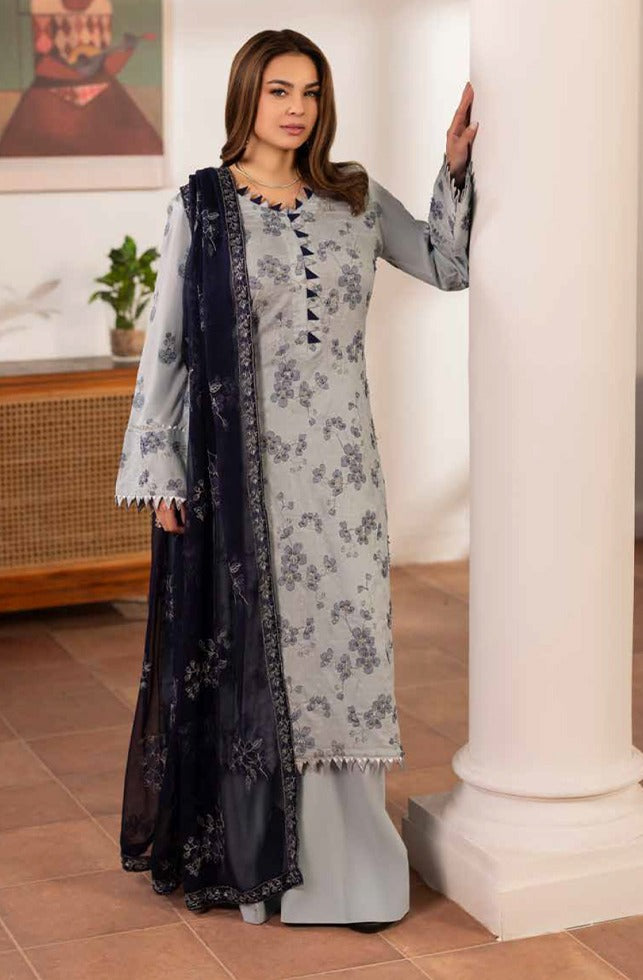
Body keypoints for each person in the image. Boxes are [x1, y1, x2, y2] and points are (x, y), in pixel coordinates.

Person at [114, 27, 477, 929]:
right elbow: (169, 347)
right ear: (247, 95)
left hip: (343, 477)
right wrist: (162, 471)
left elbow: (447, 263)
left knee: (347, 653)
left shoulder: (352, 196)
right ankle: (267, 866)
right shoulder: (204, 207)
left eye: (310, 92)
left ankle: (352, 871)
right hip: (245, 478)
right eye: (279, 90)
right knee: (264, 658)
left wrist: (454, 167)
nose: (297, 108)